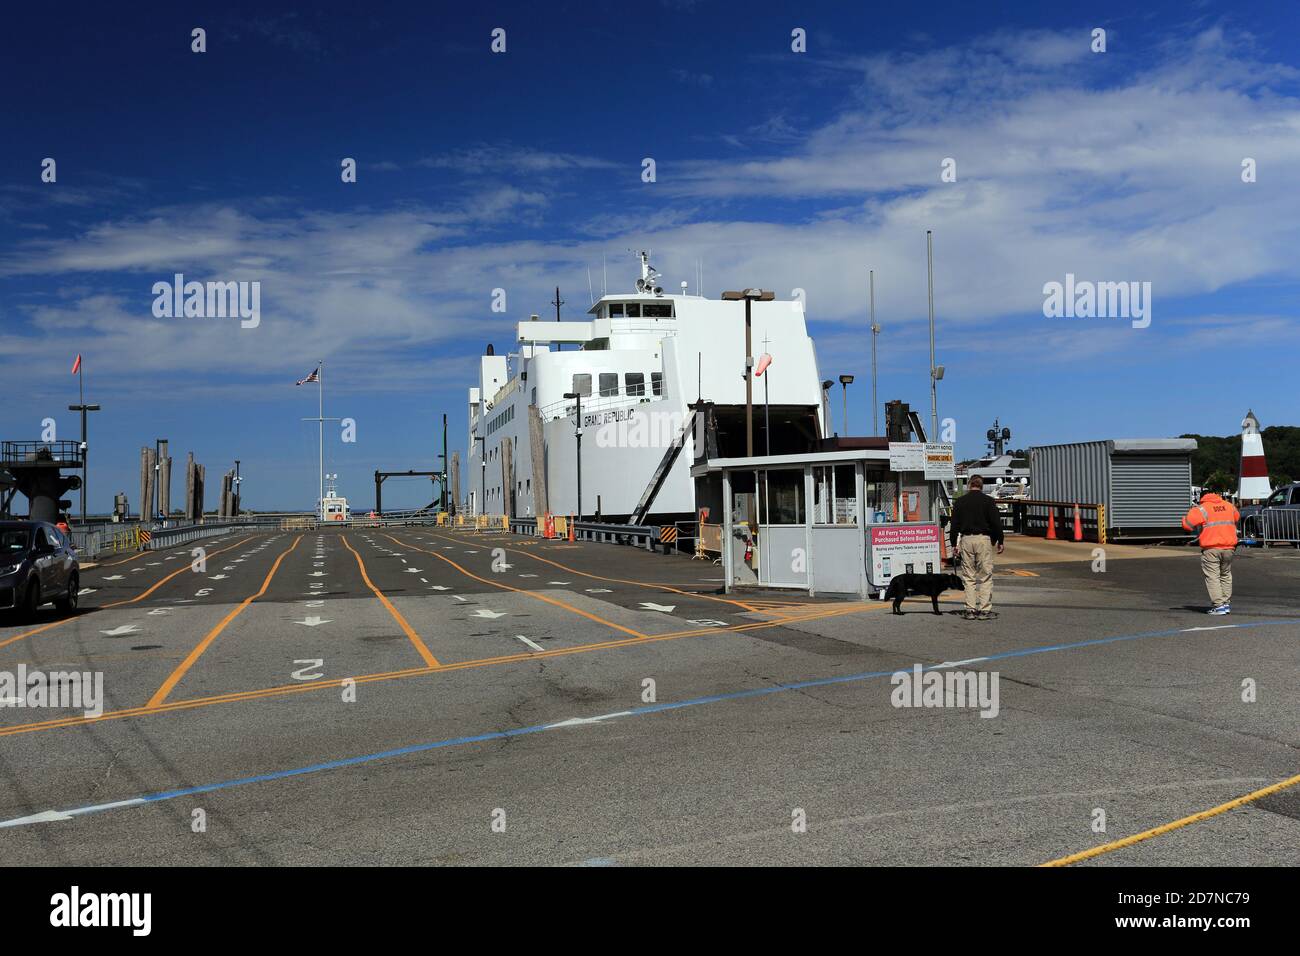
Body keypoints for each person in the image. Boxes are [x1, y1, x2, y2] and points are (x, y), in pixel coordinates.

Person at [948, 475, 1004, 620]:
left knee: (969, 576)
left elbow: (954, 525)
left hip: (966, 539)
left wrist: (954, 543)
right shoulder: (988, 501)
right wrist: (1000, 540)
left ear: (969, 485)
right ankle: (984, 610)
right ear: (981, 485)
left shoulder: (960, 502)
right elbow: (996, 523)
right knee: (985, 576)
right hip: (983, 539)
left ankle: (970, 609)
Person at [1182, 491, 1240, 614]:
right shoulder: (1229, 505)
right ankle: (1225, 604)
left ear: (1202, 497)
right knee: (1225, 575)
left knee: (1213, 576)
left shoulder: (1201, 509)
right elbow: (1237, 517)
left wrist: (1185, 516)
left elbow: (1187, 525)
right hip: (1229, 547)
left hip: (1211, 548)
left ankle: (1218, 606)